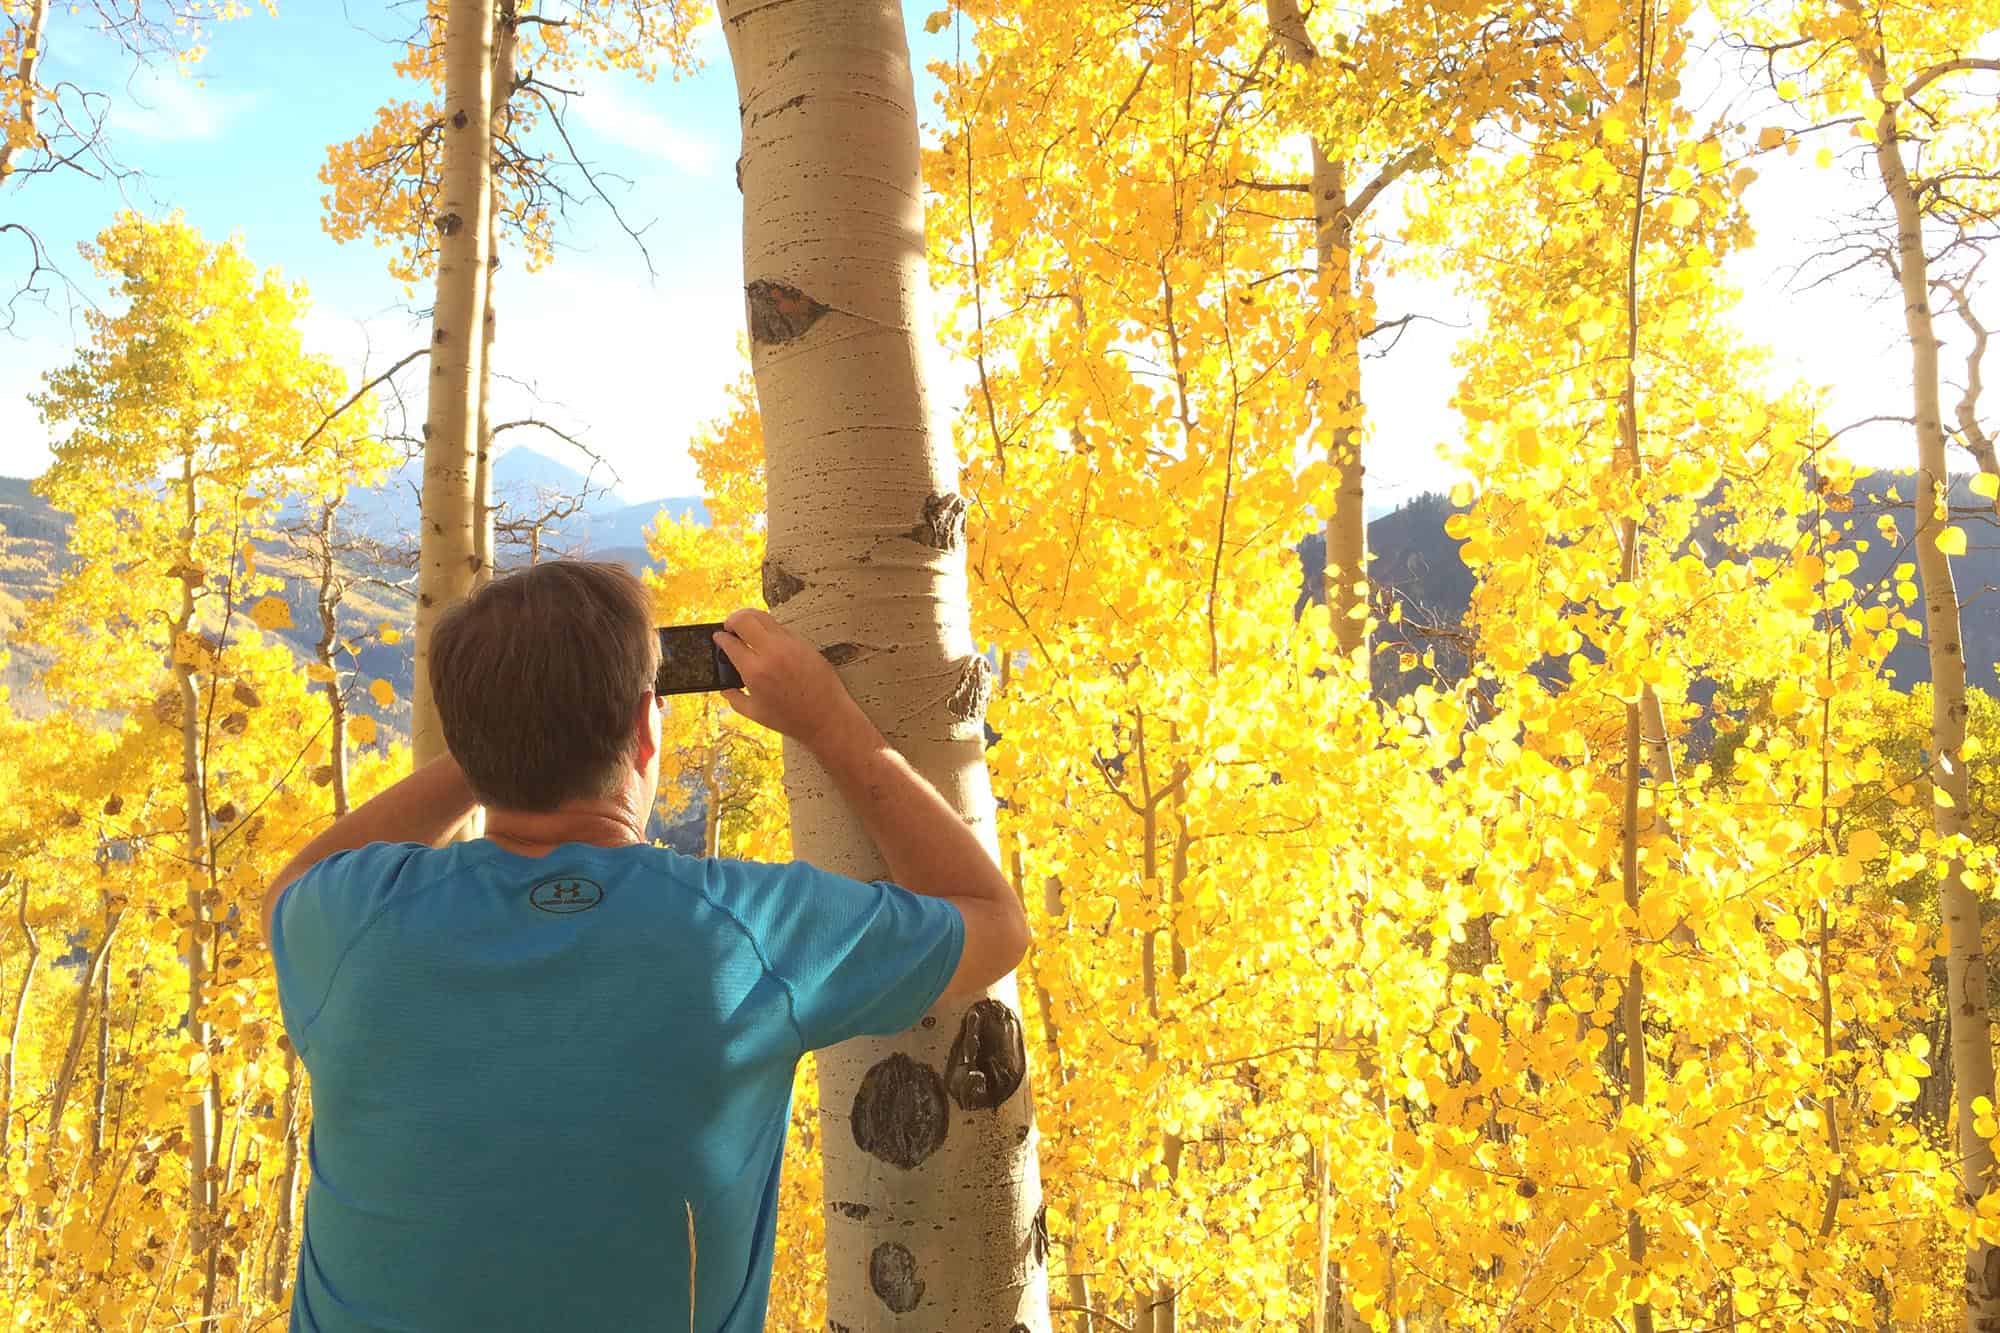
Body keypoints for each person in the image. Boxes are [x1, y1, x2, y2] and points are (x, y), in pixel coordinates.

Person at [261, 560, 1029, 1332]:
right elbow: (995, 923)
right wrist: (831, 723)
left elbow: (290, 883)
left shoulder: (352, 920)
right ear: (645, 729)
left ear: (464, 736)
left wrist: (499, 734)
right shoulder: (744, 932)